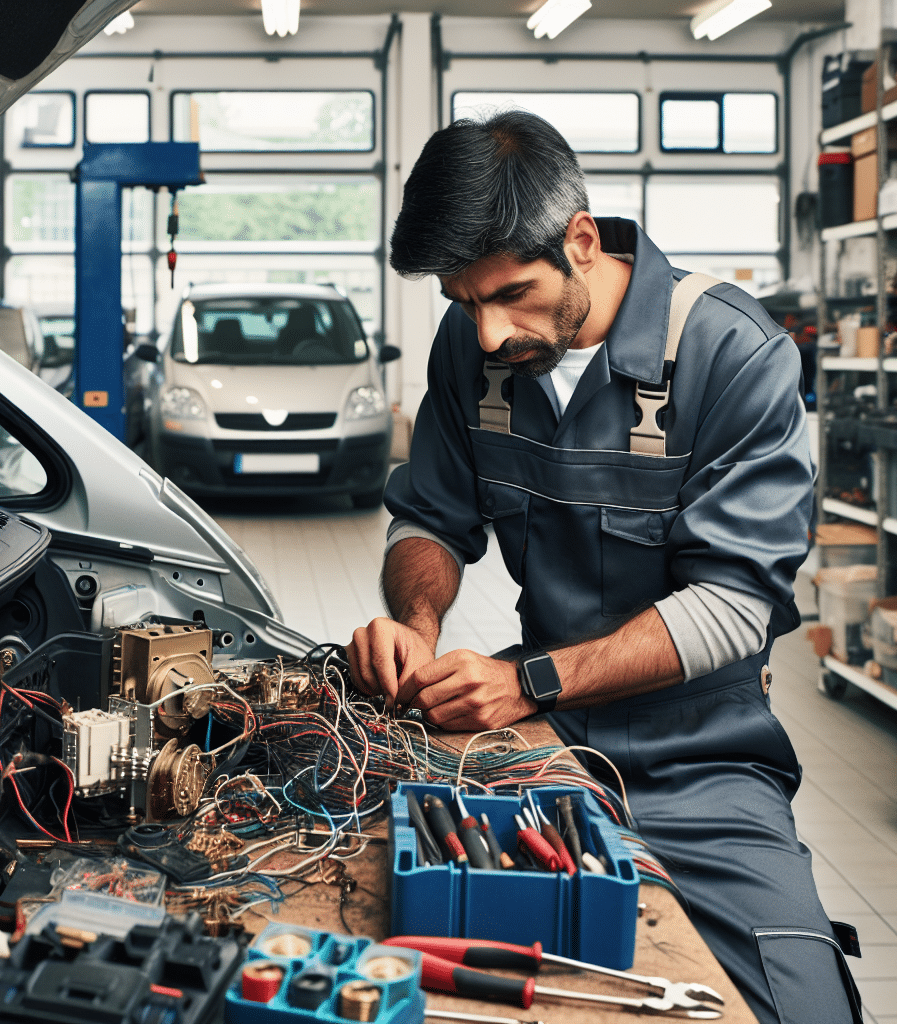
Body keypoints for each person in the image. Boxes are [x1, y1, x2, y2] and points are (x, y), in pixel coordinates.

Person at [346, 110, 861, 1024]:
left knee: (806, 1003)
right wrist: (415, 629)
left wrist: (527, 680)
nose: (492, 333)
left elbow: (736, 604)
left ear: (580, 240)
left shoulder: (733, 353)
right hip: (536, 742)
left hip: (699, 751)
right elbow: (427, 517)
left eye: (511, 294)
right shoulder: (470, 348)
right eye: (465, 304)